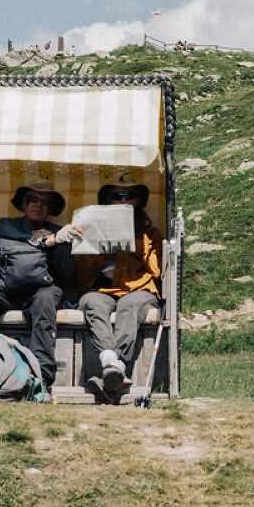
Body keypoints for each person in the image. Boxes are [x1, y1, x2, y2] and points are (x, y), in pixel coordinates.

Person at [0, 179, 81, 394]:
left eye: (44, 202)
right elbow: (9, 238)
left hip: (40, 292)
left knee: (47, 299)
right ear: (24, 205)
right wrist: (47, 242)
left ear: (50, 209)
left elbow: (67, 275)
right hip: (5, 291)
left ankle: (41, 375)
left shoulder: (62, 233)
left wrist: (60, 245)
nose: (38, 205)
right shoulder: (6, 225)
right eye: (33, 199)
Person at [76, 172, 163, 403]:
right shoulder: (93, 231)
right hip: (103, 290)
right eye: (117, 196)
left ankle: (116, 366)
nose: (124, 201)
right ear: (108, 202)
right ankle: (111, 366)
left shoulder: (149, 234)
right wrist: (103, 247)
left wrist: (135, 243)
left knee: (128, 305)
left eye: (129, 196)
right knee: (91, 303)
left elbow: (156, 271)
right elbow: (83, 277)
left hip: (139, 290)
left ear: (137, 201)